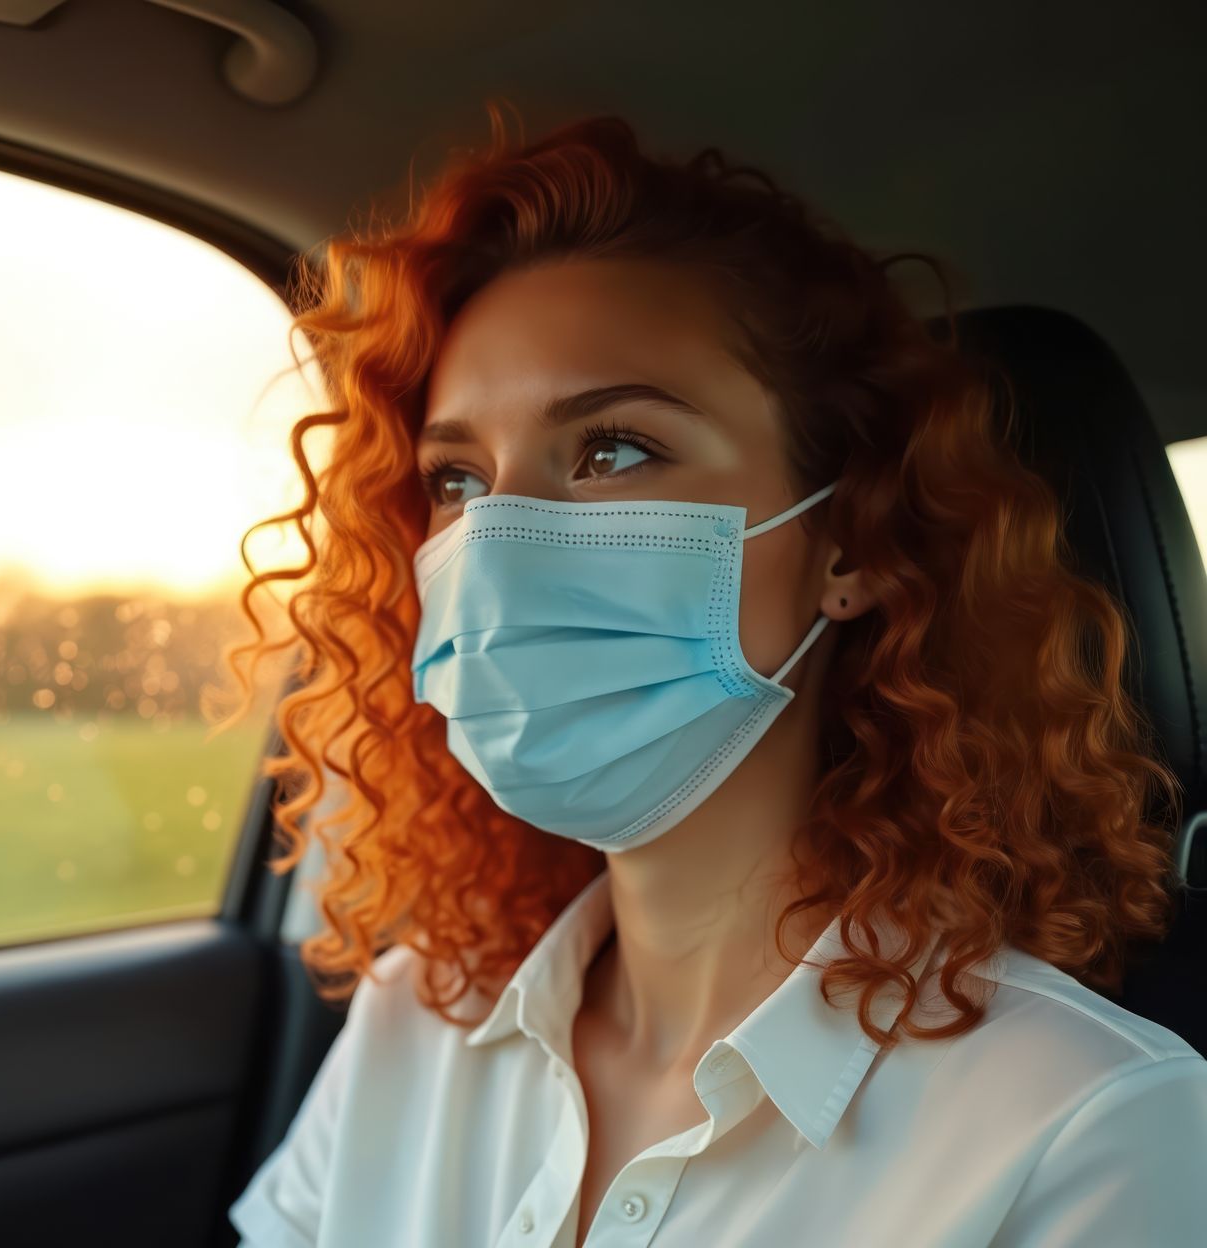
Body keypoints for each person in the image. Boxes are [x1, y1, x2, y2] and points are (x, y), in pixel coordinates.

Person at [216, 107, 1207, 1247]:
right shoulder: (415, 1017)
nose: (499, 543)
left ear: (850, 544)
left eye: (612, 449)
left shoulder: (1082, 1123)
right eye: (457, 479)